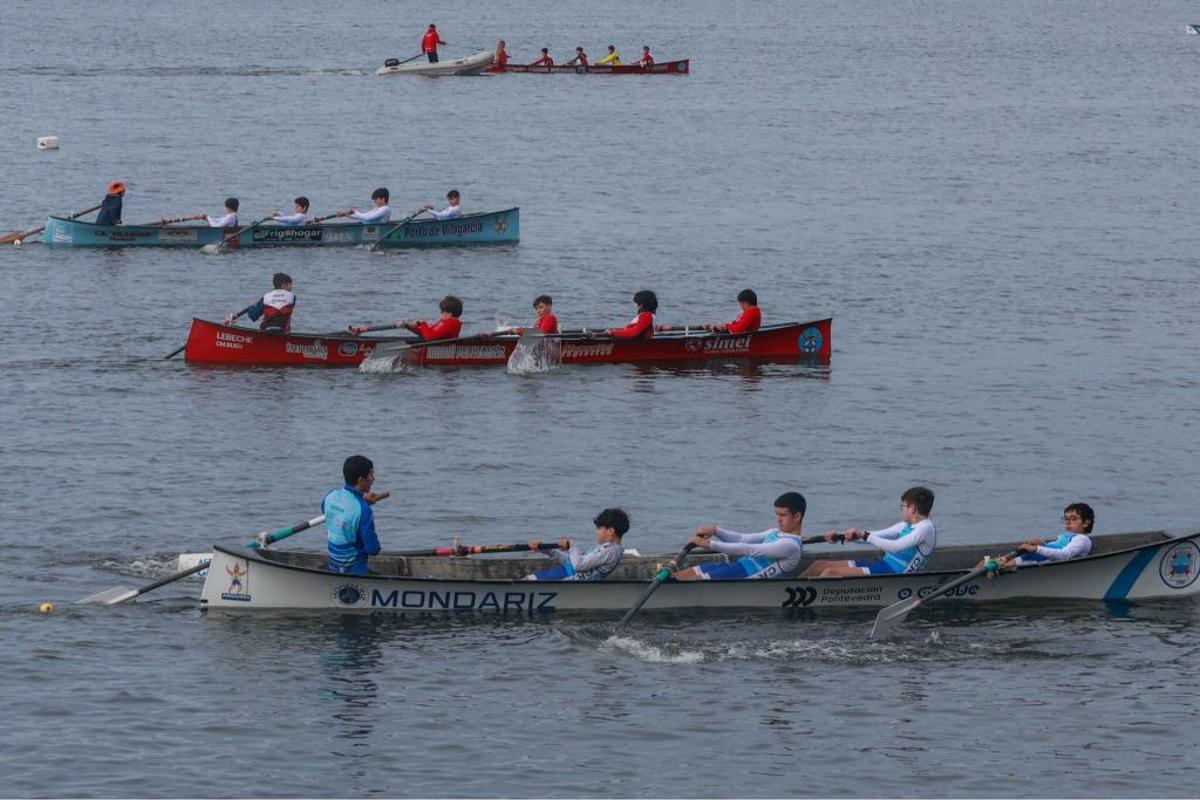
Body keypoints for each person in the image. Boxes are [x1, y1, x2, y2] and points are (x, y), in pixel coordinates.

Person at [801, 487, 937, 577]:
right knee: (818, 565)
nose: (901, 510)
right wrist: (843, 536)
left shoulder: (925, 529)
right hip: (882, 566)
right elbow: (876, 536)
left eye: (902, 506)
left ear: (912, 508)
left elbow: (895, 547)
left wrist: (864, 535)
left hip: (893, 574)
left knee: (830, 573)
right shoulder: (905, 525)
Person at [672, 492, 808, 580]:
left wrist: (709, 544)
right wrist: (716, 531)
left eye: (783, 515)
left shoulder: (791, 546)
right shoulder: (774, 532)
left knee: (693, 580)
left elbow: (750, 549)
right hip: (737, 567)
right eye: (777, 515)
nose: (778, 519)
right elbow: (743, 539)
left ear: (797, 516)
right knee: (681, 575)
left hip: (746, 576)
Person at [524, 508, 630, 581]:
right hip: (566, 573)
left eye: (598, 528)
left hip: (568, 579)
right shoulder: (604, 549)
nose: (596, 532)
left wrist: (573, 545)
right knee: (527, 579)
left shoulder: (611, 551)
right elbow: (571, 562)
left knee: (526, 580)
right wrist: (547, 549)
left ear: (610, 531)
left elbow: (578, 565)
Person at [324, 455, 382, 575]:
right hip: (356, 570)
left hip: (333, 564)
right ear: (361, 480)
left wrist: (361, 500)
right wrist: (362, 504)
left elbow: (333, 512)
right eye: (371, 475)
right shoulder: (364, 510)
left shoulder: (329, 496)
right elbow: (373, 550)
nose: (373, 479)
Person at [993, 503, 1095, 569]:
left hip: (1037, 561)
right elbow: (1055, 547)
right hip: (1032, 557)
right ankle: (991, 567)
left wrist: (1036, 548)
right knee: (988, 562)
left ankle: (992, 569)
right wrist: (1041, 543)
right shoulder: (1064, 536)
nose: (1067, 522)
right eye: (1065, 519)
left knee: (997, 565)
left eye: (1073, 519)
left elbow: (1064, 555)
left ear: (1086, 523)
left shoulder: (1082, 539)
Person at [225, 272, 296, 333]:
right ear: (283, 285)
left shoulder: (266, 297)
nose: (291, 288)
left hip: (266, 329)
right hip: (283, 331)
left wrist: (252, 307)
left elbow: (253, 316)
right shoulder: (292, 297)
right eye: (289, 285)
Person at [396, 295, 463, 341]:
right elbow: (426, 333)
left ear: (450, 313)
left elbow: (430, 338)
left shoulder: (452, 323)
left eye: (442, 310)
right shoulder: (444, 322)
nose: (441, 313)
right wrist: (408, 326)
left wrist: (422, 323)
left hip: (440, 349)